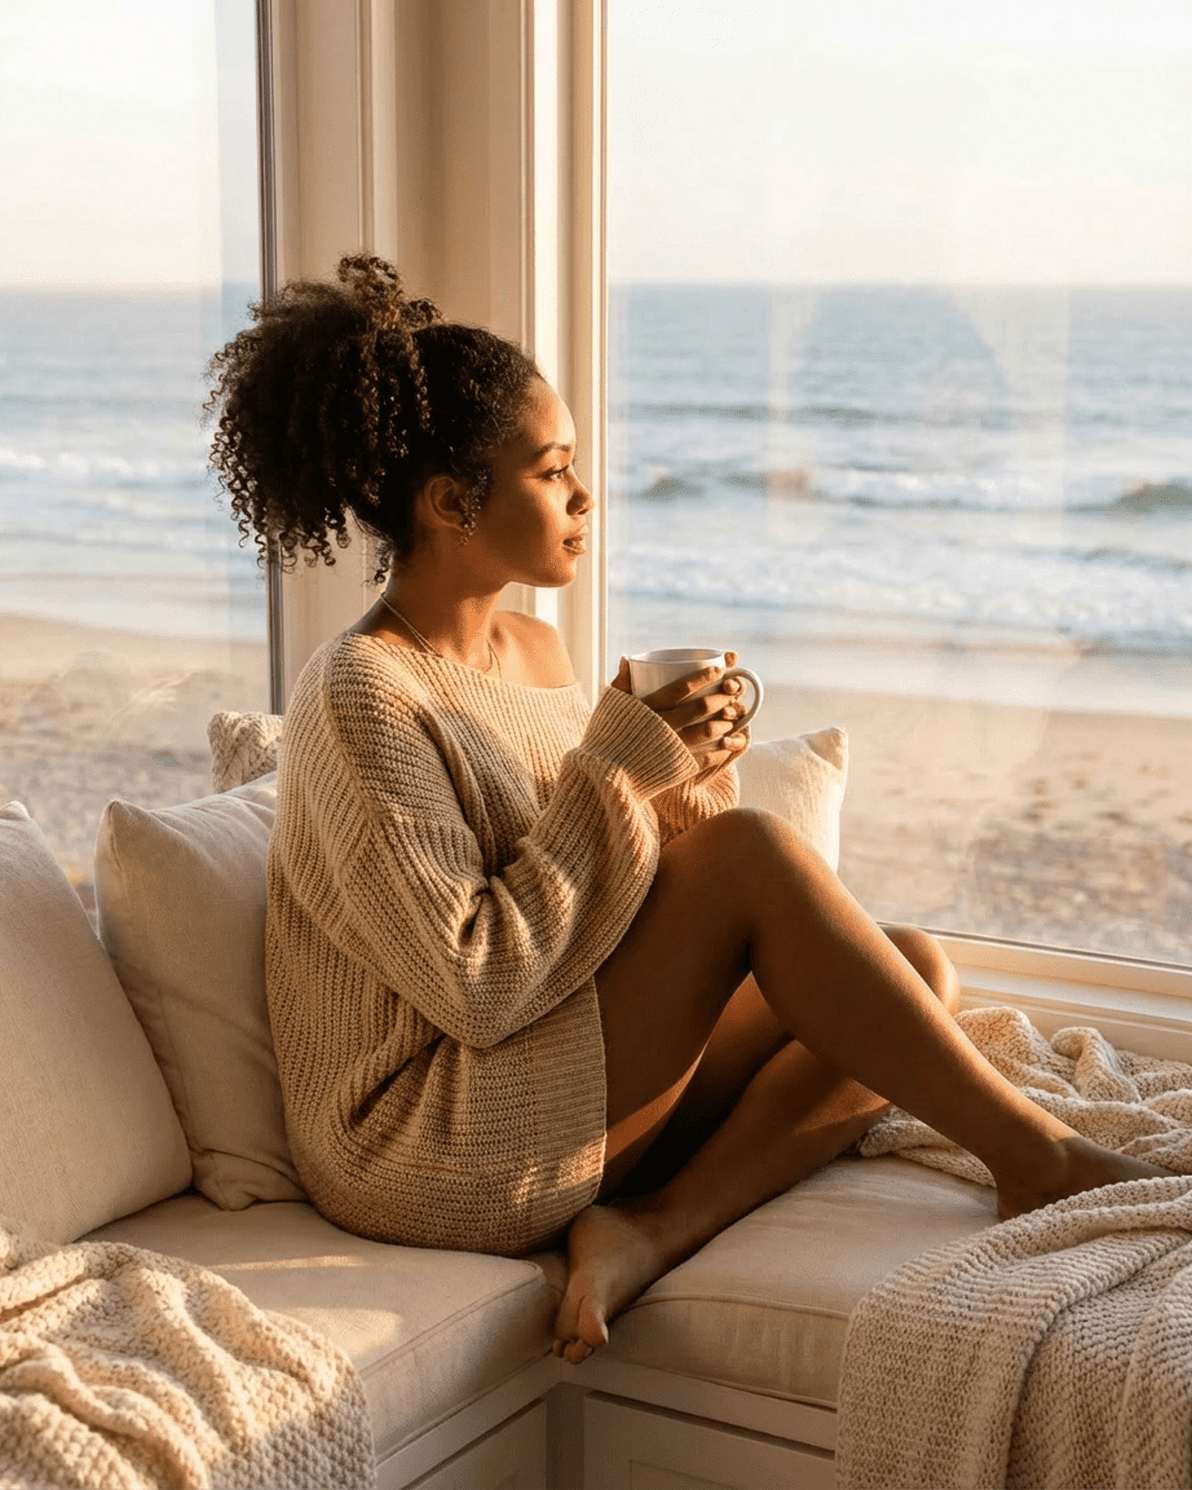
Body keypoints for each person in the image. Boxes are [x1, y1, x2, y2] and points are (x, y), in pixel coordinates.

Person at [207, 254, 1165, 1364]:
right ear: (451, 501)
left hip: (530, 1058)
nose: (583, 495)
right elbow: (477, 981)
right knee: (759, 861)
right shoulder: (360, 692)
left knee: (911, 972)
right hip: (424, 1140)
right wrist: (618, 770)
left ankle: (649, 1226)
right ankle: (1037, 1158)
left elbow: (593, 899)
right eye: (553, 470)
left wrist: (676, 781)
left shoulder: (532, 647)